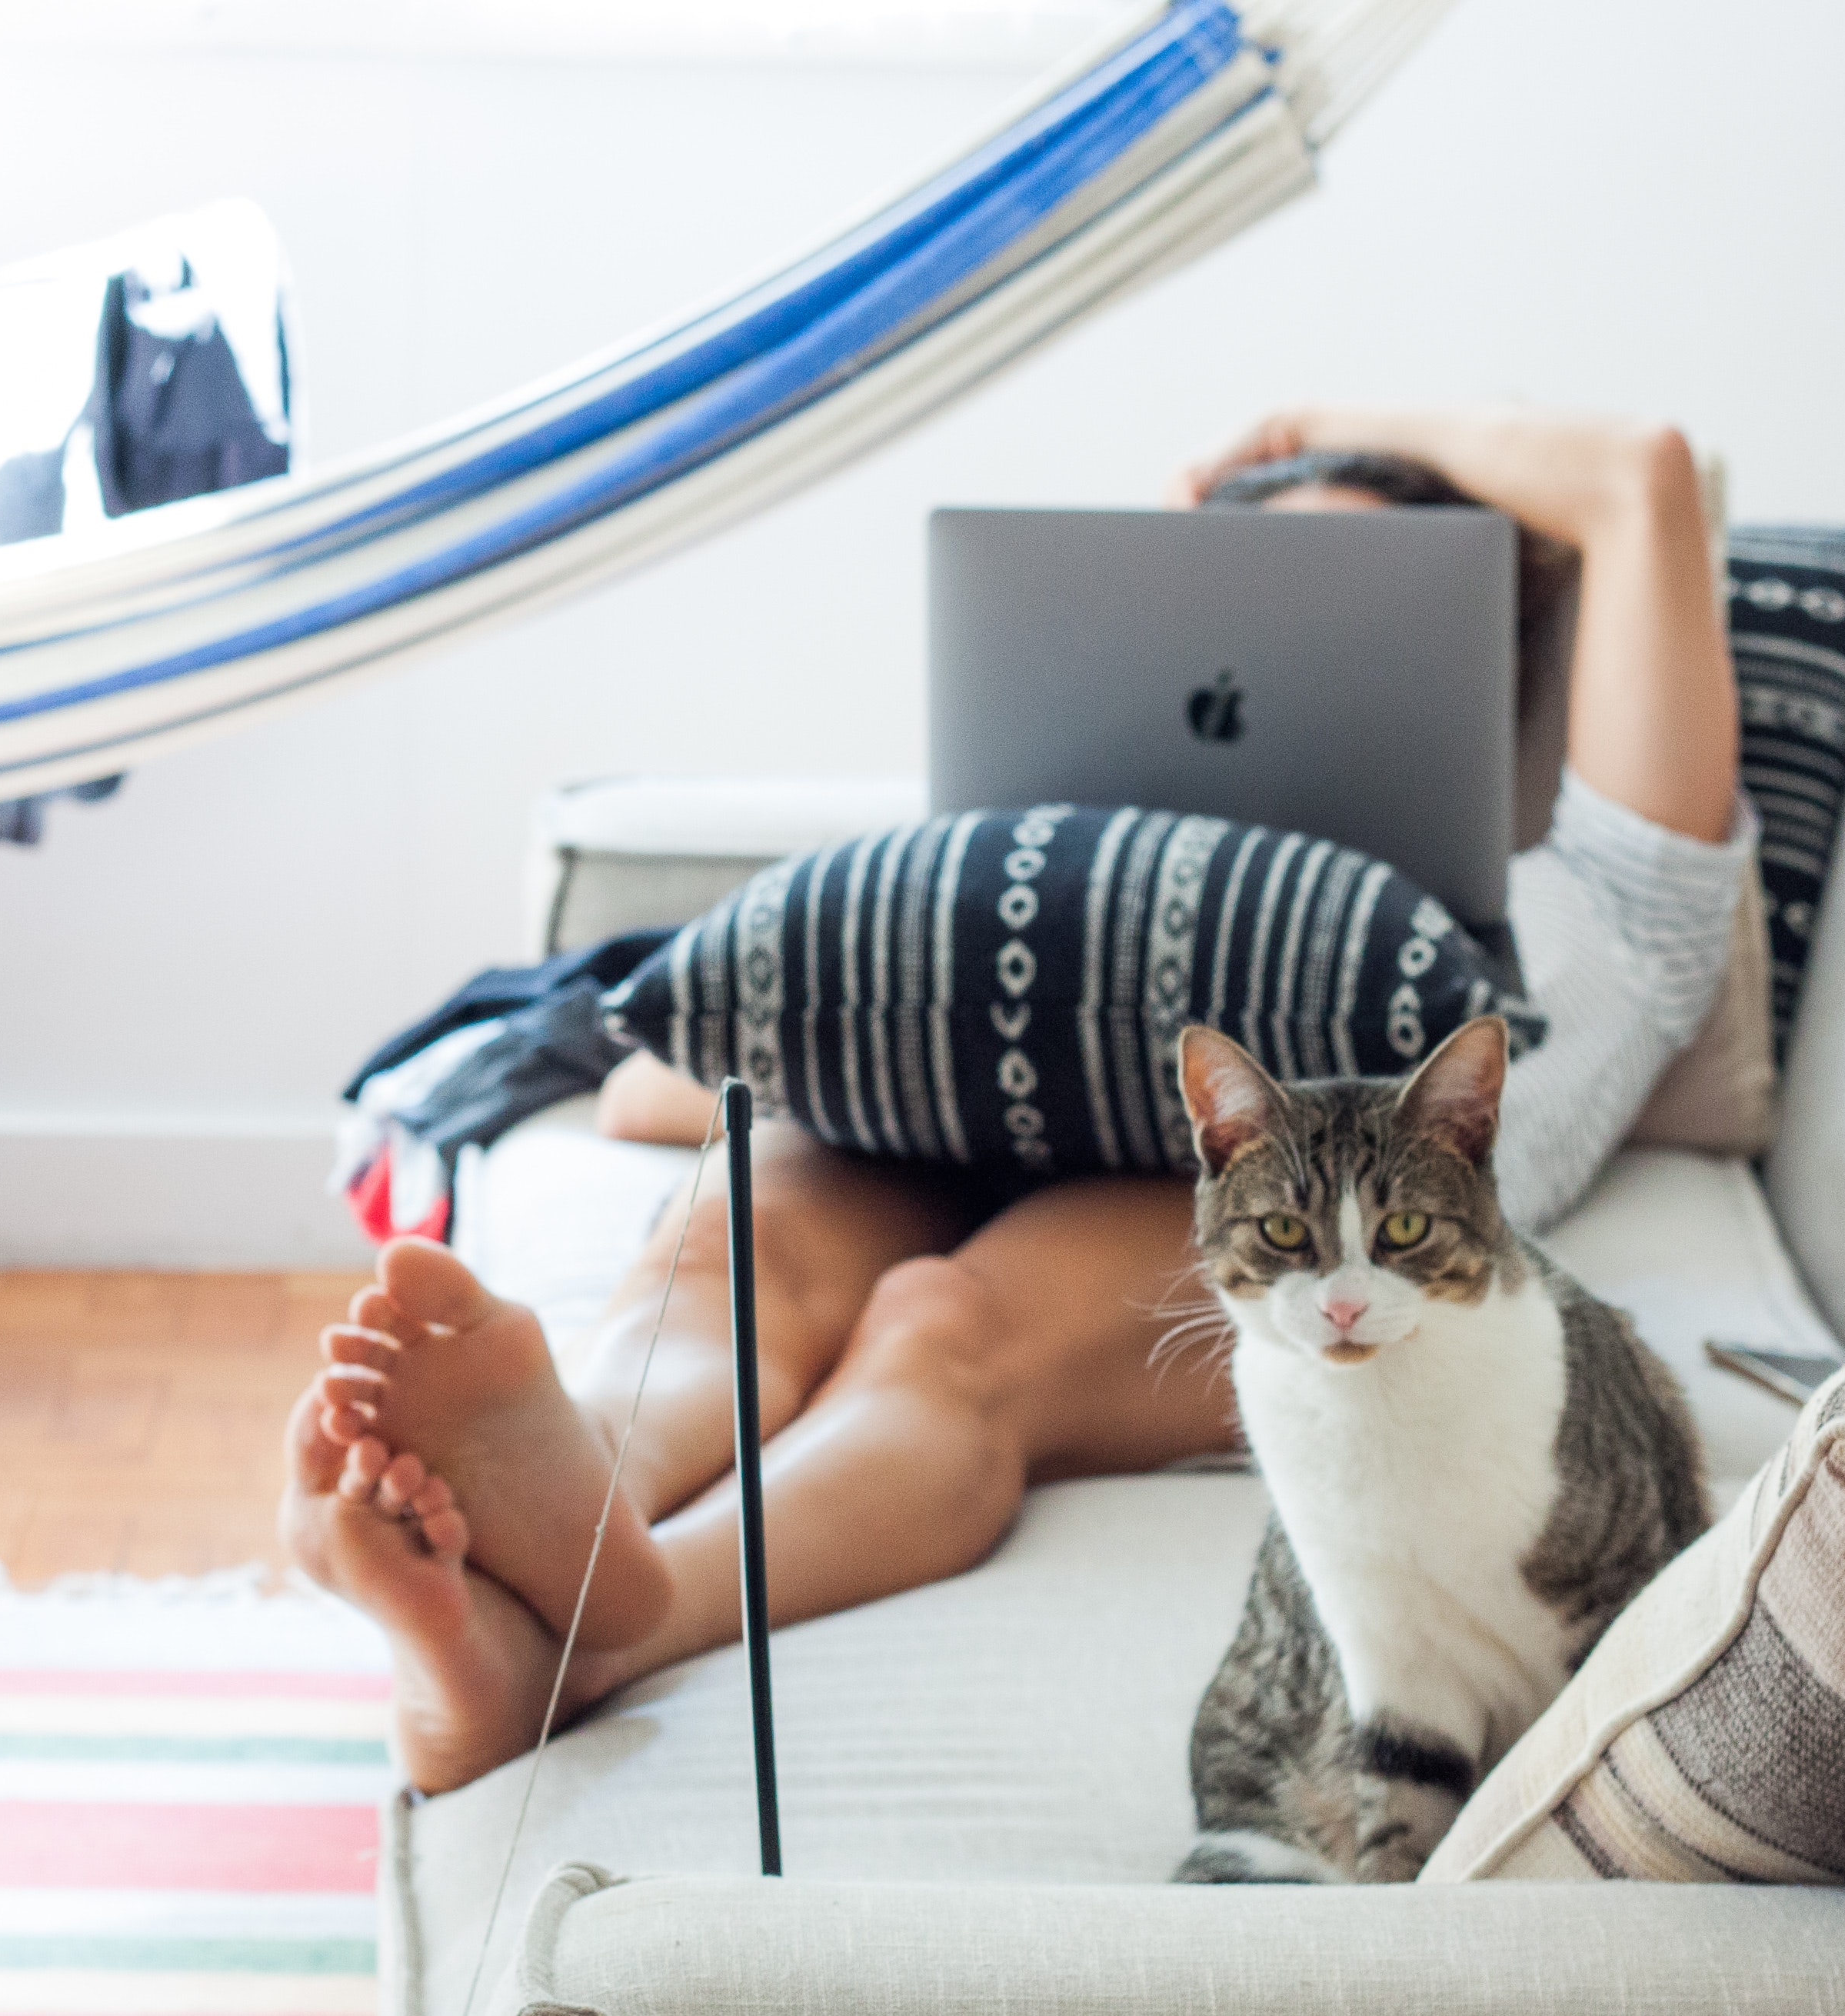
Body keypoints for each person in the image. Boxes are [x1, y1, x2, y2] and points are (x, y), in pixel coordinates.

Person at [278, 406, 1756, 1793]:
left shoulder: (1583, 918)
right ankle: (578, 1458)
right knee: (734, 1247)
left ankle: (599, 1627)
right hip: (1004, 1102)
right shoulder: (1069, 874)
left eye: (1344, 608)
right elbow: (646, 1091)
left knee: (947, 1331)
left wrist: (1342, 431)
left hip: (1300, 1192)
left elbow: (1649, 476)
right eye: (1243, 607)